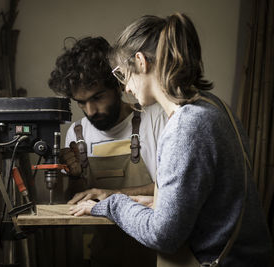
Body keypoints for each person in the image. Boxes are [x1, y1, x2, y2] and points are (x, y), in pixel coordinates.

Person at [69, 13, 273, 266]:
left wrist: (113, 203)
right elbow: (214, 201)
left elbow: (163, 236)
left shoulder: (186, 126)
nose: (127, 89)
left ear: (141, 62)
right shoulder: (214, 107)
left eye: (123, 76)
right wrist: (155, 202)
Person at [48, 37, 167, 266]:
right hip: (97, 254)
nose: (90, 111)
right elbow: (76, 201)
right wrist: (73, 177)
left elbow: (168, 190)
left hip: (148, 252)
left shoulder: (154, 120)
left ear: (118, 85)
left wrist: (112, 194)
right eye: (81, 103)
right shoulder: (76, 132)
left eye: (97, 97)